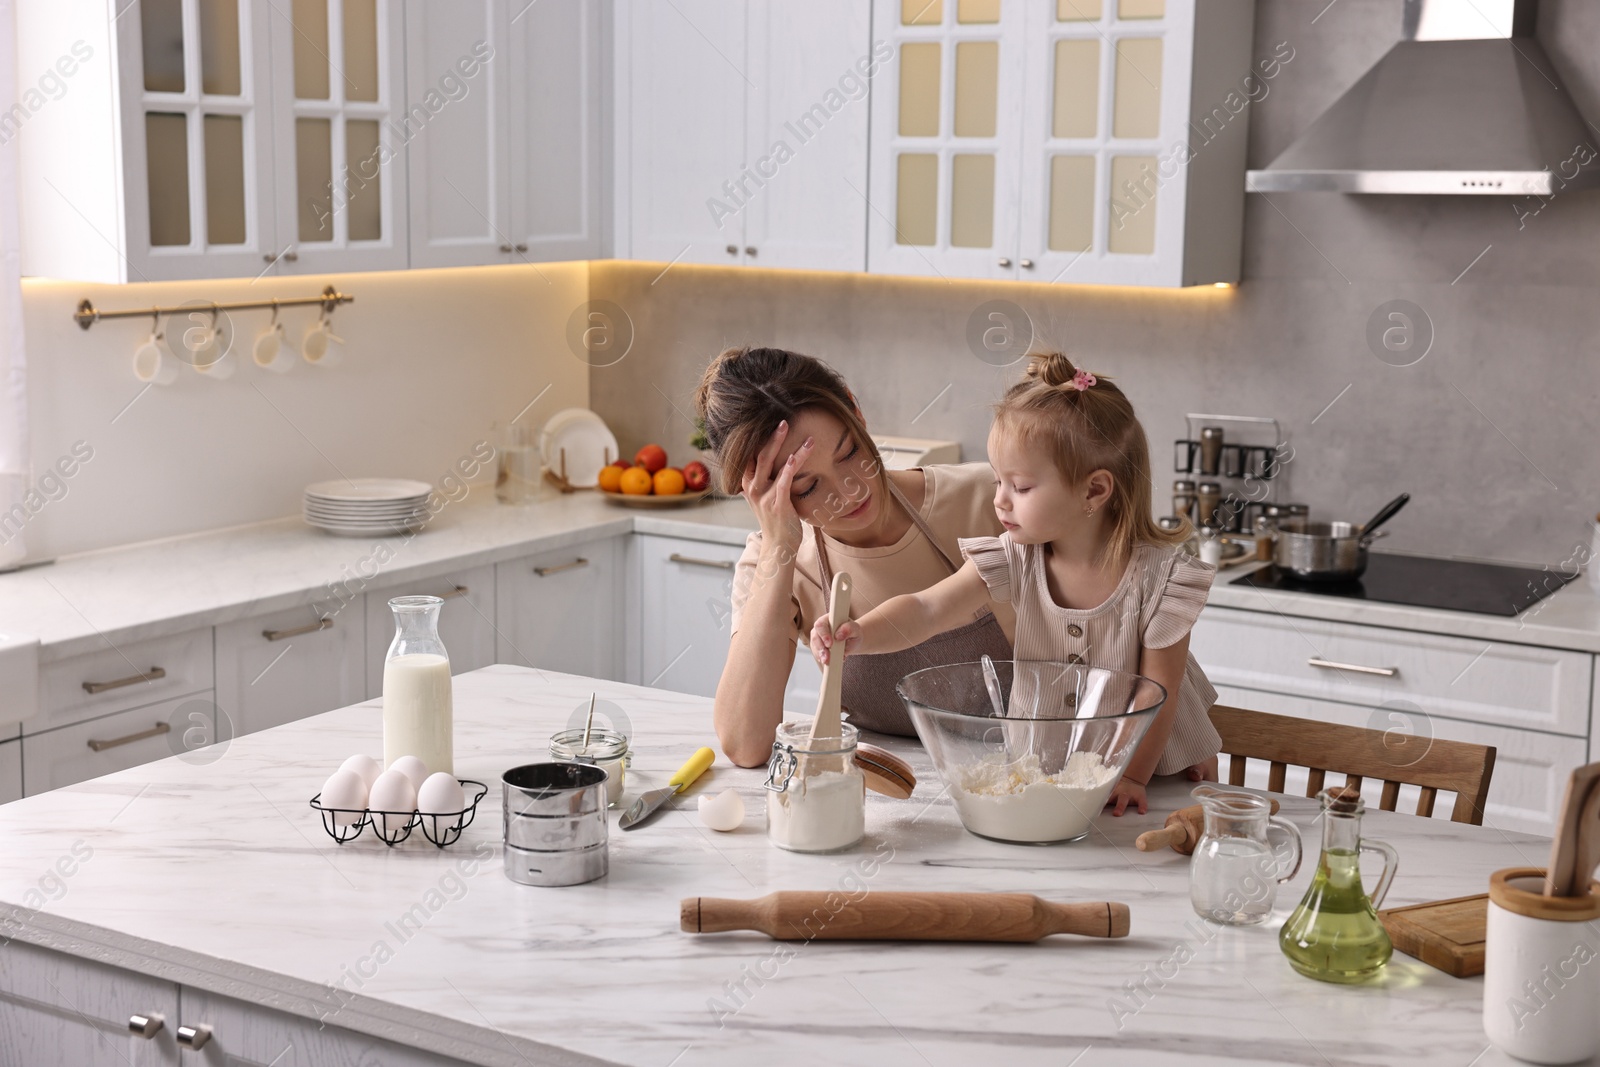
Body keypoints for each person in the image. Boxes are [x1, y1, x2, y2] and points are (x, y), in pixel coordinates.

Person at [811, 353, 1221, 814]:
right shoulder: (1013, 557)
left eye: (1021, 487)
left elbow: (1154, 693)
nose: (1000, 501)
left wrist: (1129, 775)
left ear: (1094, 491)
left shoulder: (1162, 581)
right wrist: (860, 632)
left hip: (1150, 777)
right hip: (1053, 773)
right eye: (997, 481)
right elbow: (927, 610)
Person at [695, 346, 1015, 767]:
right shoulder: (775, 563)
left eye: (849, 453)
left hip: (1016, 777)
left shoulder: (997, 499)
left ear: (855, 411)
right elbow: (746, 742)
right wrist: (779, 549)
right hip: (880, 795)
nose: (848, 491)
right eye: (806, 488)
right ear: (754, 492)